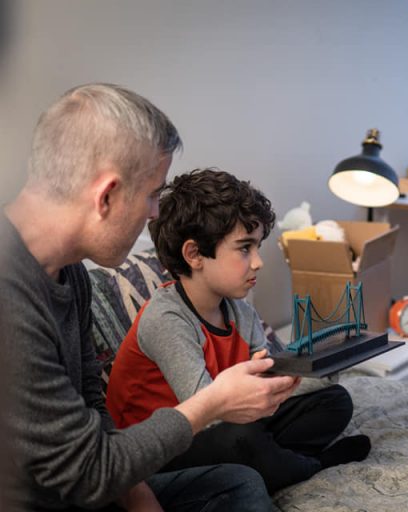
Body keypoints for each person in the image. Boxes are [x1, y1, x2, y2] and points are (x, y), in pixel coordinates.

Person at [0, 83, 302, 511]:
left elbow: (93, 408)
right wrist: (210, 403)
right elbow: (88, 471)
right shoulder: (9, 298)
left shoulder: (71, 273)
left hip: (97, 483)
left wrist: (142, 500)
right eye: (152, 194)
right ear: (106, 195)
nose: (156, 214)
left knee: (237, 486)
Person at [105, 168, 371, 494]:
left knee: (334, 401)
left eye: (257, 247)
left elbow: (270, 378)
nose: (258, 262)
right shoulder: (167, 317)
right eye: (245, 249)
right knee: (240, 439)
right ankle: (311, 465)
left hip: (225, 424)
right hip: (164, 449)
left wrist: (323, 369)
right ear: (194, 254)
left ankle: (273, 461)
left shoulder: (239, 311)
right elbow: (208, 408)